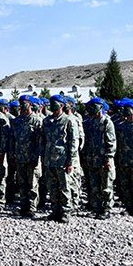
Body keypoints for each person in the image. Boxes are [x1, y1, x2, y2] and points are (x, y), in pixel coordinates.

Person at [41, 95, 78, 223]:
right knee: (52, 187)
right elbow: (43, 140)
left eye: (54, 103)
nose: (51, 106)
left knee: (65, 187)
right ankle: (55, 210)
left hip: (63, 160)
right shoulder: (46, 121)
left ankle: (66, 212)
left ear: (61, 105)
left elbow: (73, 142)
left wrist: (70, 161)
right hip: (49, 159)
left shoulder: (68, 121)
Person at [81, 97, 116, 219]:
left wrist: (108, 158)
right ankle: (97, 208)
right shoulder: (90, 122)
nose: (92, 108)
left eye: (94, 106)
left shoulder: (107, 122)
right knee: (94, 185)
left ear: (101, 107)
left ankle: (107, 209)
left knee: (106, 186)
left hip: (104, 160)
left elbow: (111, 142)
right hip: (92, 159)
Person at [11, 95, 43, 217]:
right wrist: (12, 154)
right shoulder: (17, 121)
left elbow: (40, 141)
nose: (22, 105)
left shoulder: (37, 121)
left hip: (32, 158)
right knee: (22, 183)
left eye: (24, 103)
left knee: (32, 184)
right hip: (20, 157)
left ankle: (32, 207)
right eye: (20, 103)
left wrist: (36, 157)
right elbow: (13, 139)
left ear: (30, 104)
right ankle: (23, 206)